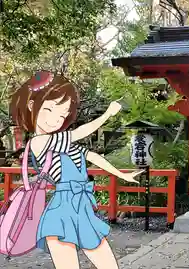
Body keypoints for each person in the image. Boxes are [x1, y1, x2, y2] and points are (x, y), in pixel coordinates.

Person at [7, 71, 143, 268]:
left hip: (82, 209)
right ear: (31, 107)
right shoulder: (39, 141)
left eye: (62, 115)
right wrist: (107, 114)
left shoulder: (61, 143)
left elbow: (91, 156)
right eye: (50, 110)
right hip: (61, 211)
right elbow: (79, 133)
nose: (56, 120)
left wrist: (122, 174)